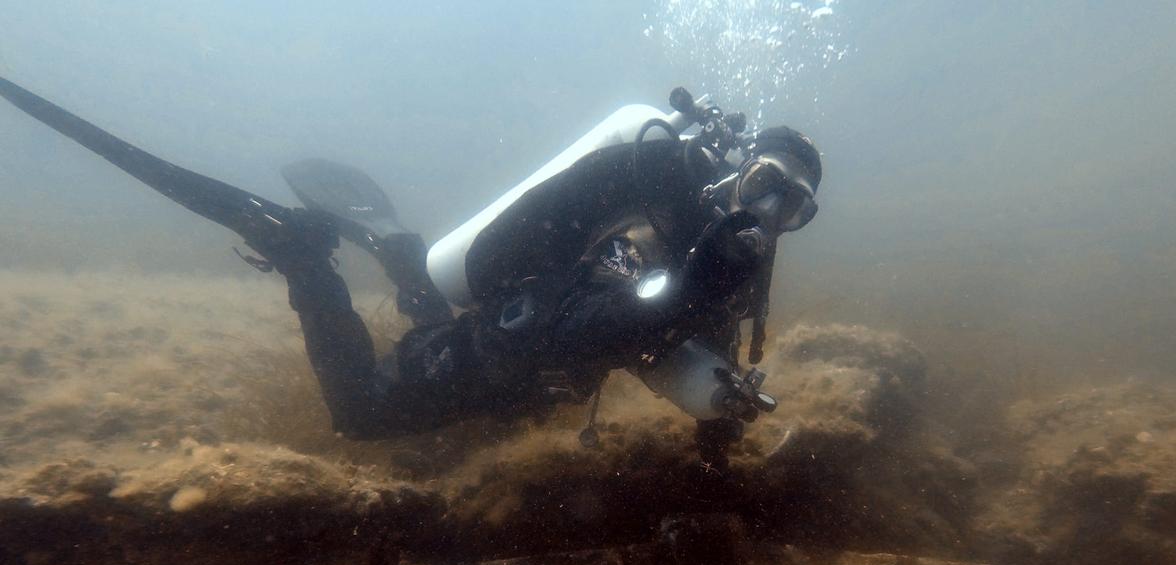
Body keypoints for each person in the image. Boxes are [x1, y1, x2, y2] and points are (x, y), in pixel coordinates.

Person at [0, 76, 820, 466]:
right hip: (528, 329)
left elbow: (685, 343)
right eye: (768, 187)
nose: (774, 214)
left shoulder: (728, 258)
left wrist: (721, 434)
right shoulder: (666, 188)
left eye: (796, 208)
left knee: (483, 379)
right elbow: (606, 313)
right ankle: (298, 252)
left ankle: (397, 251)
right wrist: (679, 293)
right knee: (362, 411)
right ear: (741, 168)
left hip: (544, 340)